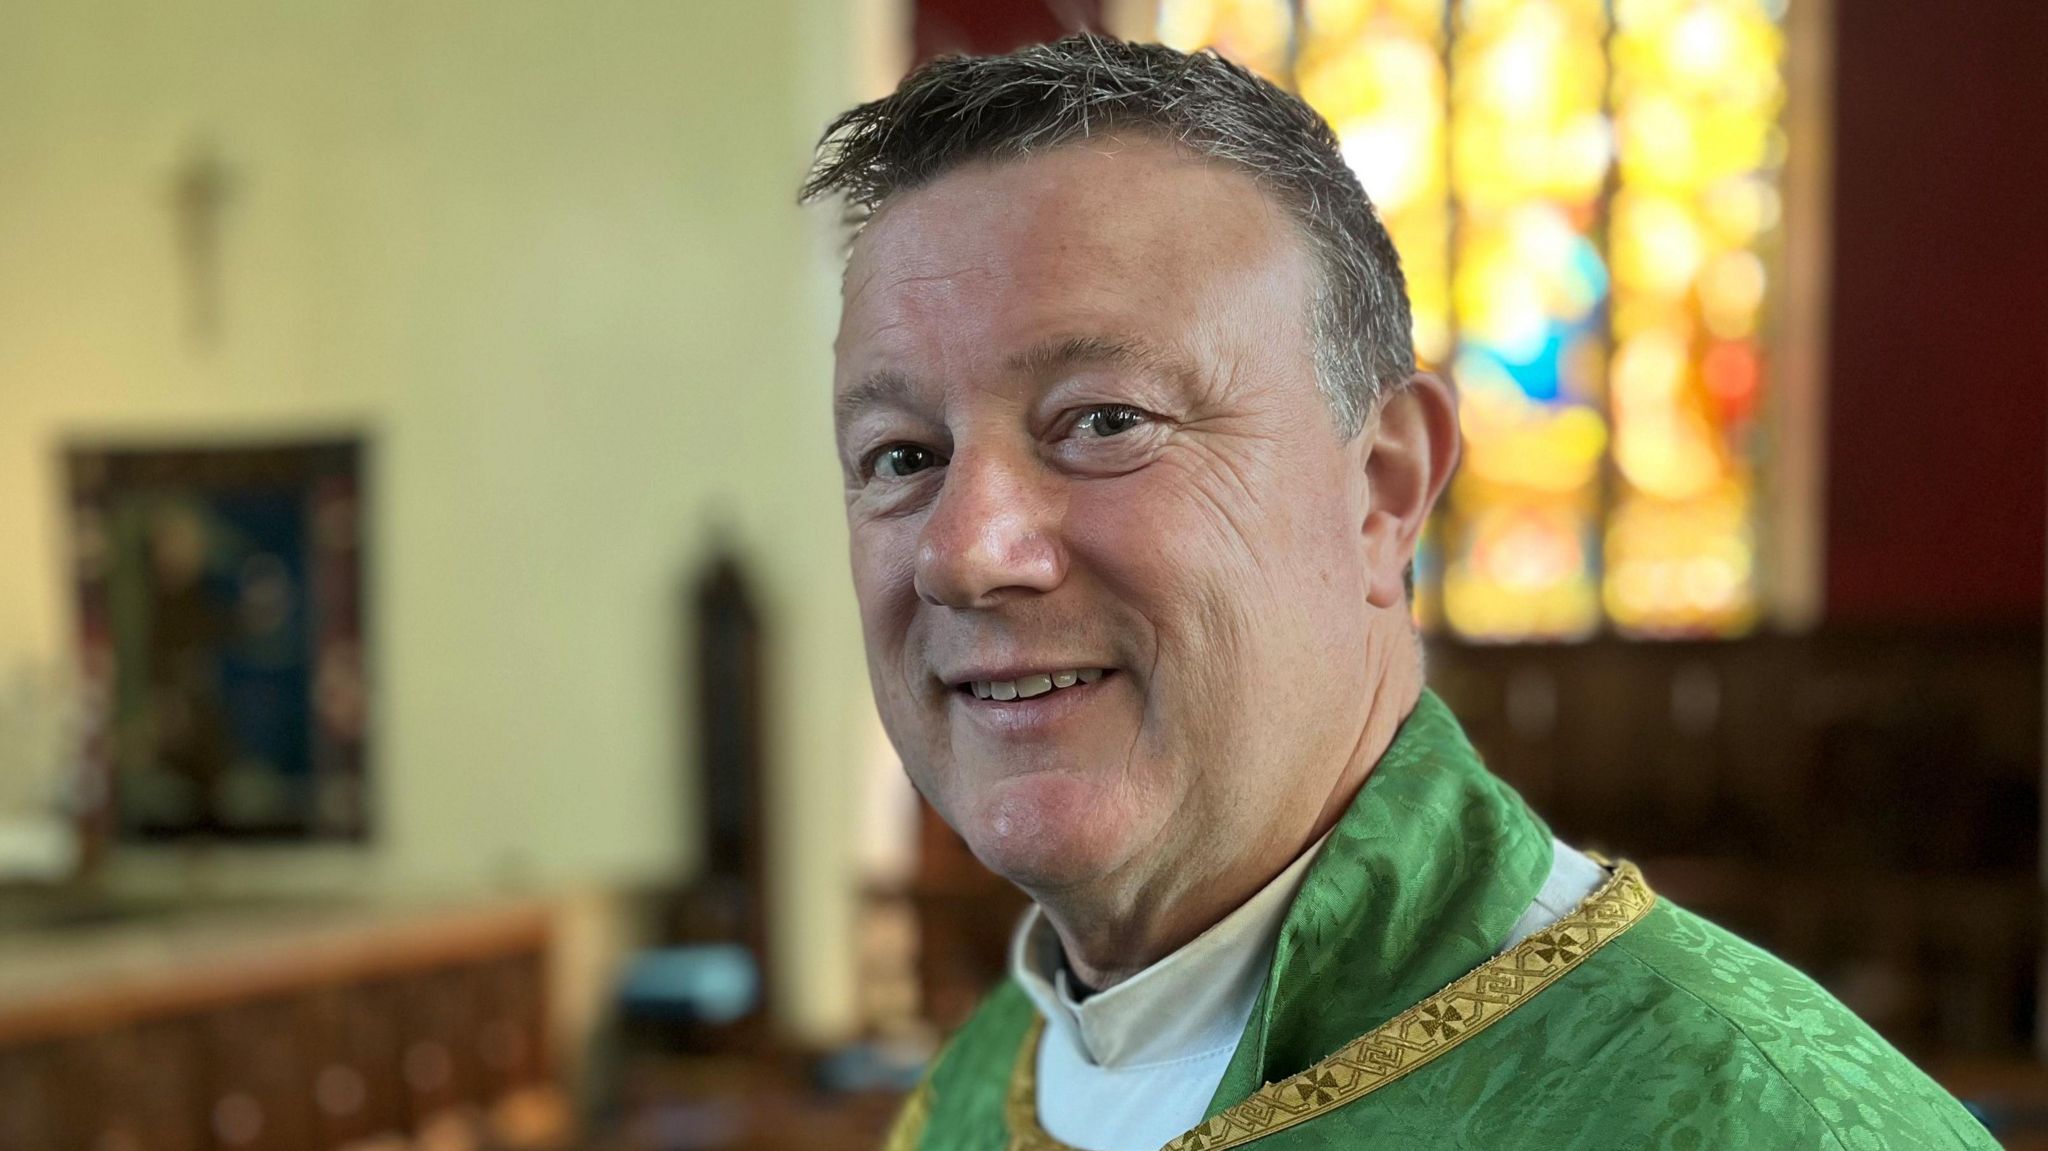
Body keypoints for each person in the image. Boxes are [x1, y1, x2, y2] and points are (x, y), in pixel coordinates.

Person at [803, 33, 1995, 1151]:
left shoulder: (1747, 1113)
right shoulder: (975, 1089)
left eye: (1105, 421)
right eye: (902, 456)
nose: (965, 551)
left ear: (1382, 487)